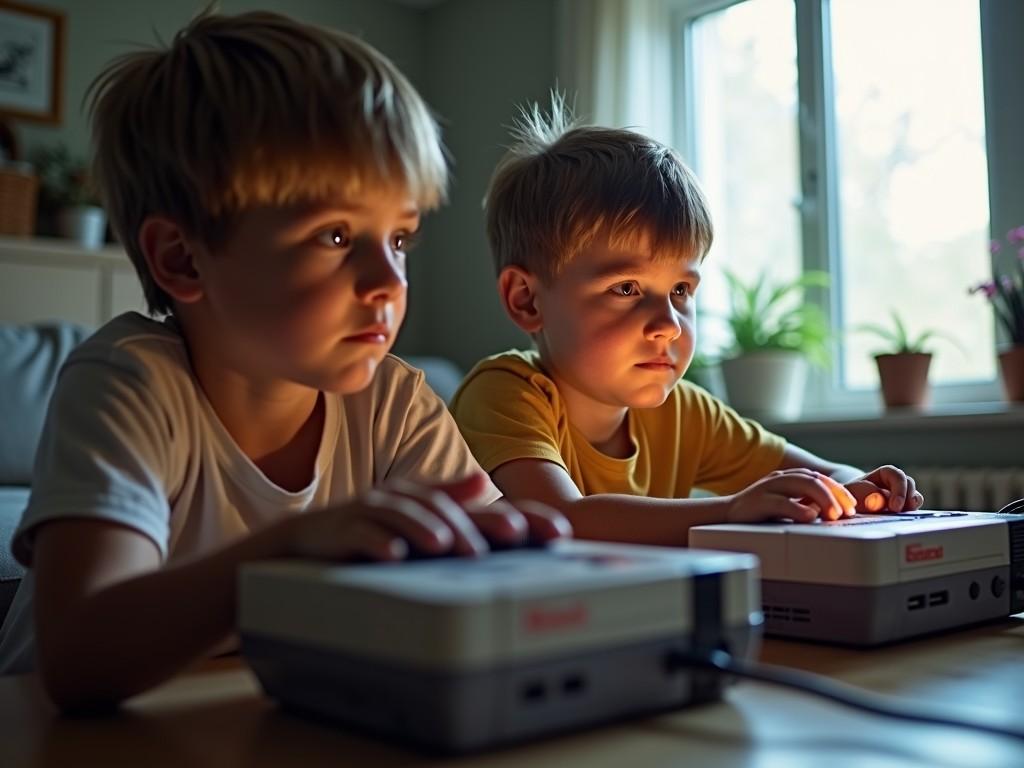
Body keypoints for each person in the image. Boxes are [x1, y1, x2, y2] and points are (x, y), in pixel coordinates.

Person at [0, 11, 570, 709]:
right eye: (335, 235)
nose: (389, 282)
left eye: (399, 238)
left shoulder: (393, 401)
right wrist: (288, 553)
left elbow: (483, 551)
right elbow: (78, 654)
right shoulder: (129, 384)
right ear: (182, 258)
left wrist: (511, 547)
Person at [451, 97, 923, 547]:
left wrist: (858, 489)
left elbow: (827, 474)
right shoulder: (504, 393)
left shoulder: (683, 412)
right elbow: (562, 521)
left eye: (681, 291)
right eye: (627, 289)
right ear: (527, 300)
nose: (669, 324)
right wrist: (731, 510)